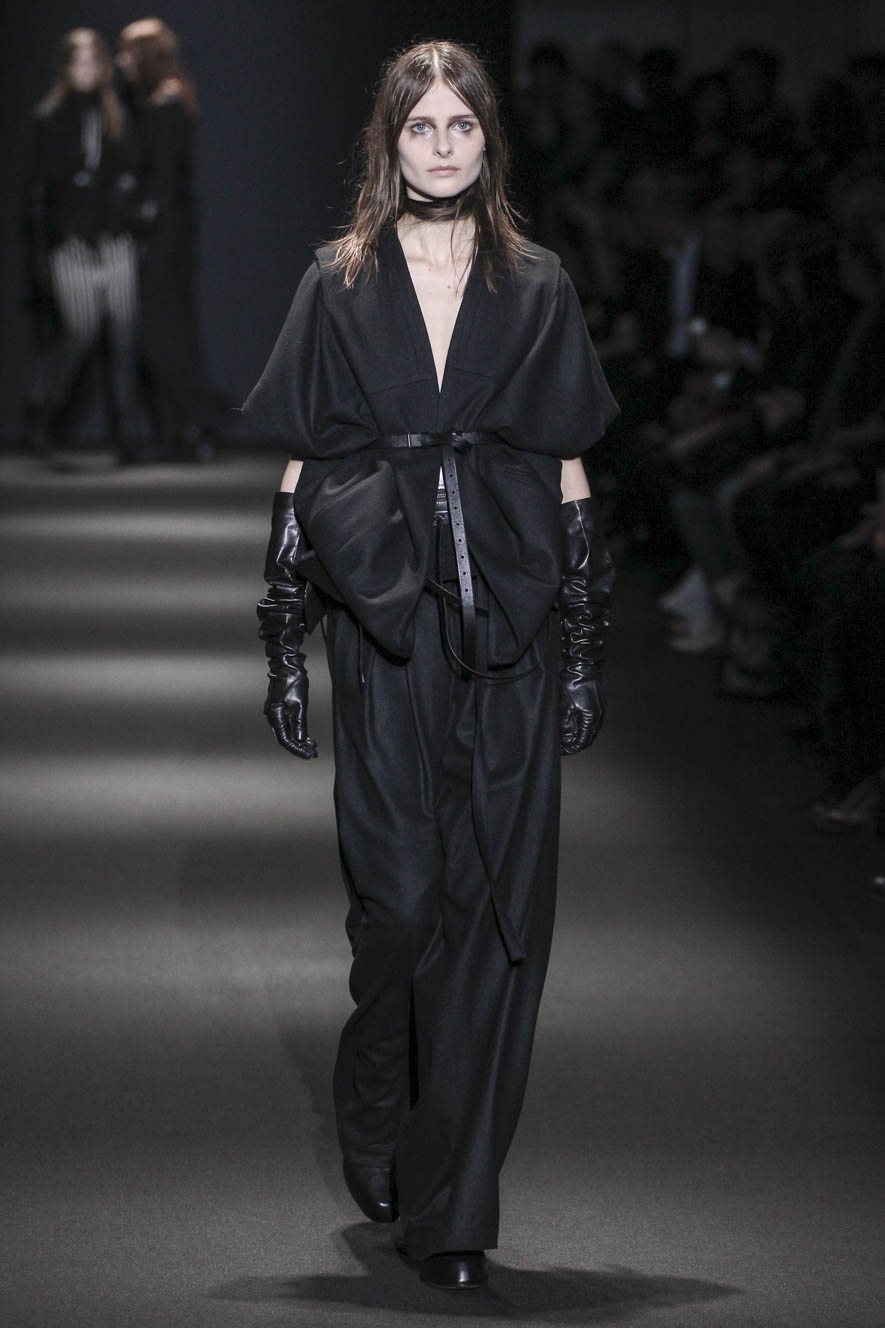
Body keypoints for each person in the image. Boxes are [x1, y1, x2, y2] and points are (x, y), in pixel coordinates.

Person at [242, 40, 618, 1291]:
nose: (444, 145)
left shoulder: (539, 282)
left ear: (487, 140)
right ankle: (378, 1083)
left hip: (512, 621)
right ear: (389, 141)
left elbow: (567, 458)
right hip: (385, 620)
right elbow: (304, 451)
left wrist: (582, 644)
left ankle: (453, 1208)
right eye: (422, 126)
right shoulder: (339, 279)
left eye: (462, 124)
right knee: (402, 906)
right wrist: (284, 632)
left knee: (496, 920)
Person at [23, 28, 142, 463]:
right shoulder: (50, 117)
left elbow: (128, 173)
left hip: (114, 239)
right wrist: (47, 248)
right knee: (81, 331)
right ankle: (42, 415)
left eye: (93, 61)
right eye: (79, 62)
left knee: (124, 334)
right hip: (72, 243)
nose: (86, 69)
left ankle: (128, 433)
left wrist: (125, 214)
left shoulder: (116, 114)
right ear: (66, 67)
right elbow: (40, 192)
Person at [116, 18, 214, 459]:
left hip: (163, 233)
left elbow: (162, 175)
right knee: (163, 331)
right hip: (165, 230)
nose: (122, 61)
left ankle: (190, 428)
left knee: (165, 332)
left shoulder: (167, 102)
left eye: (128, 53)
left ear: (146, 56)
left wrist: (142, 215)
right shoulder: (157, 101)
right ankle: (181, 429)